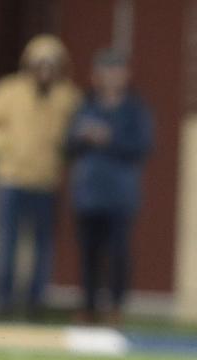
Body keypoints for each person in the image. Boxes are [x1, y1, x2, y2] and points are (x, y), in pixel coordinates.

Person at [0, 35, 81, 319]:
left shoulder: (67, 97)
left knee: (43, 246)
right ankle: (3, 301)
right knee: (7, 243)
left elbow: (73, 136)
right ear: (29, 65)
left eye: (51, 66)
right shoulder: (9, 92)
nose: (45, 71)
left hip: (46, 181)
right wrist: (6, 150)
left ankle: (35, 302)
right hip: (12, 179)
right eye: (40, 65)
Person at [66, 49, 153, 326]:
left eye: (117, 71)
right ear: (97, 76)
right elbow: (68, 145)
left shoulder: (135, 109)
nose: (112, 77)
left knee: (117, 254)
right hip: (89, 193)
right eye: (106, 71)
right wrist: (83, 136)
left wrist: (108, 138)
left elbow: (141, 147)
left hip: (119, 194)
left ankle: (115, 306)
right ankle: (88, 306)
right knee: (88, 254)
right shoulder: (86, 106)